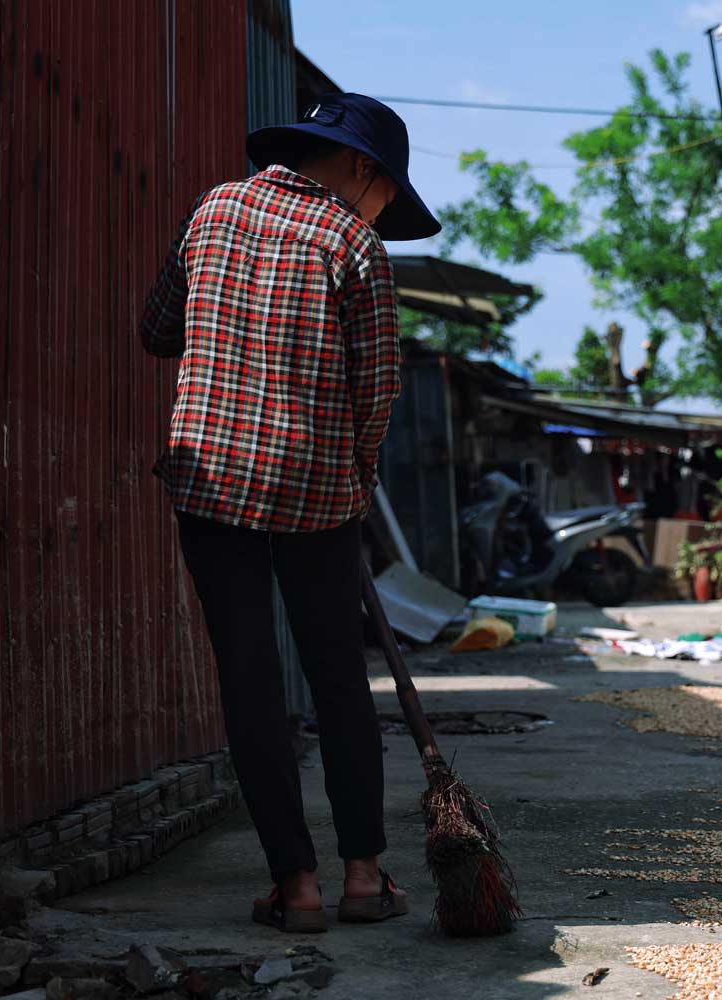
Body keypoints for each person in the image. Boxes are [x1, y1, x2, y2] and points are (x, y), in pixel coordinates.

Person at [138, 93, 440, 933]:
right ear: (363, 172)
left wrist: (220, 327)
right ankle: (364, 876)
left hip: (211, 484)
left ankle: (295, 886)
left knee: (250, 680)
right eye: (389, 197)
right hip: (315, 494)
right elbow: (376, 394)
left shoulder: (215, 208)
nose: (382, 212)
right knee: (338, 679)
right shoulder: (355, 245)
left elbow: (159, 326)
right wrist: (351, 480)